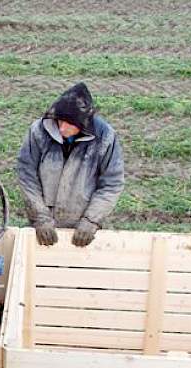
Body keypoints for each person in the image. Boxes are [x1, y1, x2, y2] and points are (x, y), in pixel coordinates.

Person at [16, 83, 124, 247]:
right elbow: (26, 175)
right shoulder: (39, 131)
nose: (61, 128)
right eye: (60, 121)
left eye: (69, 124)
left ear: (83, 125)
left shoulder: (105, 138)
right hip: (44, 224)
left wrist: (91, 220)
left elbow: (112, 184)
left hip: (81, 227)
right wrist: (40, 217)